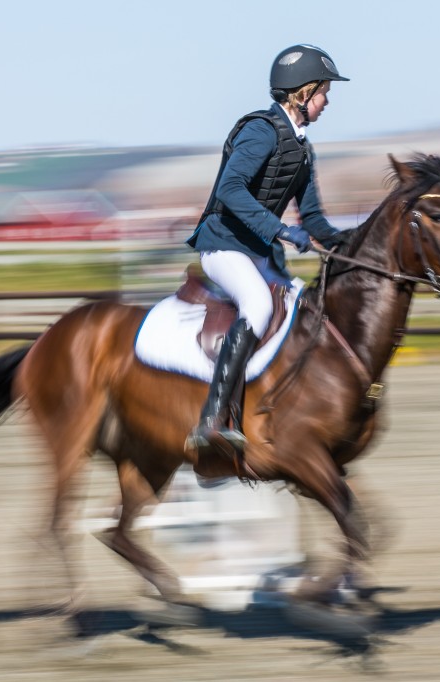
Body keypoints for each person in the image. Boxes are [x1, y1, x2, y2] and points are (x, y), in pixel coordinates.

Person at [184, 44, 354, 460]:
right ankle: (213, 420)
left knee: (306, 307)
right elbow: (229, 189)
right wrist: (280, 231)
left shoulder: (303, 150)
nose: (327, 102)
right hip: (223, 245)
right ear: (303, 92)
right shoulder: (260, 131)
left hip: (258, 253)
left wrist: (349, 244)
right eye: (323, 93)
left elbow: (313, 219)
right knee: (258, 306)